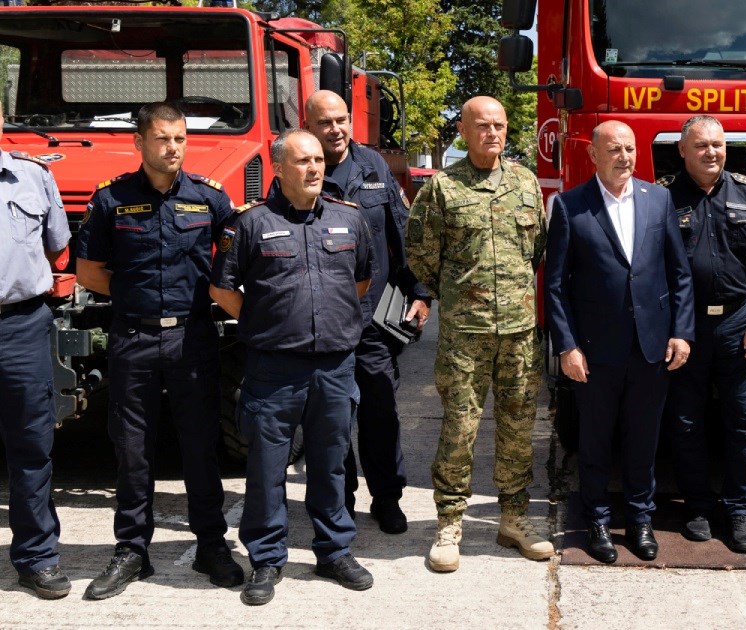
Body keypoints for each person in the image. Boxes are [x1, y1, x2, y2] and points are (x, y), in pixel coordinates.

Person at [74, 102, 242, 599]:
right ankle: (132, 550)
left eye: (181, 138)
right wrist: (134, 299)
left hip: (193, 337)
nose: (174, 148)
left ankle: (212, 544)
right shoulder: (111, 200)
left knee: (199, 445)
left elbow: (230, 264)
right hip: (133, 338)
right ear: (140, 143)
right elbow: (88, 273)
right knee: (132, 449)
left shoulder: (210, 199)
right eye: (164, 139)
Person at [210, 129, 375, 605]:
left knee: (331, 464)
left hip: (335, 367)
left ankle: (334, 551)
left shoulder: (351, 220)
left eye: (319, 160)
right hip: (273, 368)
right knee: (266, 468)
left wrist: (327, 322)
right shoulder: (249, 224)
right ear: (278, 168)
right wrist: (268, 322)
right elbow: (222, 290)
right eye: (303, 161)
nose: (315, 169)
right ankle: (266, 558)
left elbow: (360, 282)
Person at [406, 96, 554, 573]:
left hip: (517, 332)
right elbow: (422, 254)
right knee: (460, 428)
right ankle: (450, 523)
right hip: (464, 335)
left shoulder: (527, 184)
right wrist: (458, 290)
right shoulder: (441, 189)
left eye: (500, 125)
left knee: (516, 429)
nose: (493, 132)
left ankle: (513, 518)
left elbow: (536, 251)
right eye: (482, 125)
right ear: (463, 132)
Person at [545, 120, 695, 563]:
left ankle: (640, 518)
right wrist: (567, 346)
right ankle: (595, 518)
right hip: (594, 352)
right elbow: (554, 286)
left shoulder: (659, 199)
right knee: (595, 440)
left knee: (643, 440)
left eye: (629, 149)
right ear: (593, 155)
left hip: (651, 348)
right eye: (614, 149)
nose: (624, 157)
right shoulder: (571, 206)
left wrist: (682, 332)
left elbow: (679, 273)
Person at [303, 90, 431, 534]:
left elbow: (400, 230)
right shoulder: (298, 167)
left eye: (341, 120)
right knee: (331, 418)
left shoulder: (372, 165)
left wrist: (419, 291)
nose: (335, 129)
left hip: (374, 317)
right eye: (325, 123)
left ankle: (387, 498)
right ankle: (339, 501)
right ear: (309, 125)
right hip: (322, 322)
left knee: (380, 412)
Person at [660, 115, 746, 555]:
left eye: (718, 144)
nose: (711, 152)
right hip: (686, 328)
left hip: (738, 322)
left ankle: (738, 511)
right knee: (686, 421)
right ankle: (696, 505)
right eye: (701, 146)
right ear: (682, 150)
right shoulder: (661, 197)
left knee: (745, 421)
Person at [0, 113, 72, 599]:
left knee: (31, 445)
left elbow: (57, 247)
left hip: (20, 325)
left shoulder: (33, 175)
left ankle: (37, 557)